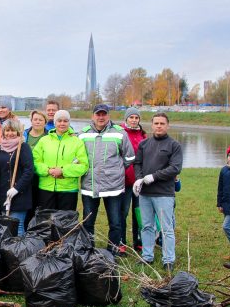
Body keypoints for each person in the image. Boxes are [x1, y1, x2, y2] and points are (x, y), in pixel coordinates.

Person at [78, 103, 135, 255]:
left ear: (108, 116)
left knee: (115, 222)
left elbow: (129, 157)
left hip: (113, 187)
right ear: (93, 116)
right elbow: (77, 158)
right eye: (98, 114)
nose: (101, 117)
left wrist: (115, 170)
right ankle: (88, 250)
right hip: (89, 186)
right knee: (88, 221)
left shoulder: (119, 133)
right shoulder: (82, 134)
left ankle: (113, 250)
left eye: (104, 114)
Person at [133, 112, 183, 274]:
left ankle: (168, 259)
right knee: (146, 226)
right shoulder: (144, 144)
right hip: (145, 194)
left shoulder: (174, 146)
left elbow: (175, 168)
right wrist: (139, 179)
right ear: (152, 125)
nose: (159, 126)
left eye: (162, 123)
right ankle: (147, 256)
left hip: (164, 194)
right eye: (156, 123)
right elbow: (138, 163)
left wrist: (153, 177)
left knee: (166, 228)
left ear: (167, 125)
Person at [33, 109, 88, 211]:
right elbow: (35, 162)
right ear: (55, 122)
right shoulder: (44, 140)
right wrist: (48, 170)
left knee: (65, 223)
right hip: (46, 189)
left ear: (69, 122)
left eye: (65, 121)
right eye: (59, 120)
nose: (62, 123)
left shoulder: (77, 142)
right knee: (46, 223)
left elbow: (83, 165)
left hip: (68, 190)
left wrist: (63, 171)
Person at [0, 119, 34, 235]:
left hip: (19, 196)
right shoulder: (1, 148)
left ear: (18, 132)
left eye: (13, 130)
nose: (10, 133)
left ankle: (19, 252)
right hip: (3, 194)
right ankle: (8, 251)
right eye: (7, 130)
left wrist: (16, 188)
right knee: (6, 227)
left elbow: (29, 171)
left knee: (17, 227)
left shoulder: (23, 147)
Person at [120, 107, 147, 255]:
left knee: (139, 213)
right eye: (131, 117)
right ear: (126, 119)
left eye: (136, 118)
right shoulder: (120, 133)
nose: (134, 120)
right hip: (124, 181)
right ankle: (121, 241)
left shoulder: (143, 135)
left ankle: (139, 242)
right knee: (122, 213)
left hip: (139, 181)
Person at [23, 109, 47, 226]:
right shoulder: (24, 134)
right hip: (26, 175)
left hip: (42, 176)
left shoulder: (49, 136)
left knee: (40, 205)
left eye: (40, 120)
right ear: (31, 121)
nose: (37, 122)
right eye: (35, 119)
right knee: (27, 206)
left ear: (45, 122)